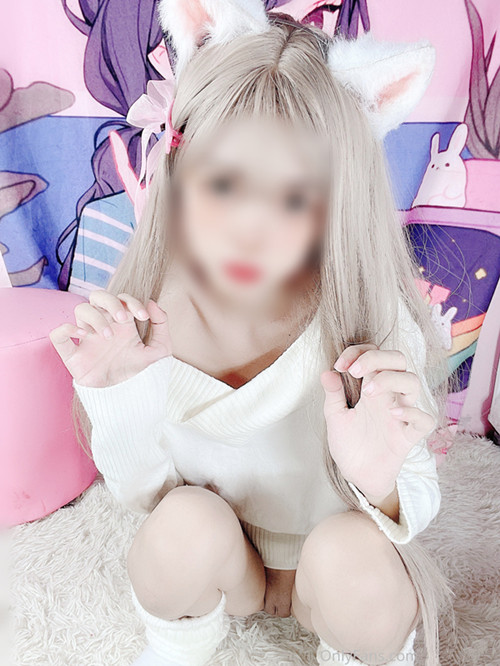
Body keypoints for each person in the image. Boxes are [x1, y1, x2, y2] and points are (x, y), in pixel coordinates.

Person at [50, 5, 453, 665]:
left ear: (336, 206)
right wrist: (119, 401)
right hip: (225, 558)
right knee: (178, 531)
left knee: (356, 565)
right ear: (180, 170)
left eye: (293, 200)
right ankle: (179, 644)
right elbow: (148, 499)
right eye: (224, 183)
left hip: (332, 558)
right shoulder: (147, 320)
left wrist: (380, 479)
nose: (250, 229)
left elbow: (416, 498)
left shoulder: (363, 319)